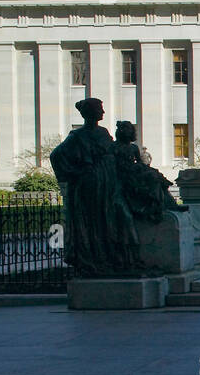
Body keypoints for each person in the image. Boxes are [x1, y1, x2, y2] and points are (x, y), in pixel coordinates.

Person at [49, 97, 141, 276]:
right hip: (91, 187)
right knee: (95, 222)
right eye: (100, 108)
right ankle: (98, 261)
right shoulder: (78, 136)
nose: (103, 112)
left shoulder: (104, 132)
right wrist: (76, 173)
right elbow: (56, 156)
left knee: (115, 218)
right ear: (90, 112)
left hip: (109, 184)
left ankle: (117, 259)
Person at [113, 120, 187, 222]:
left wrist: (142, 168)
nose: (127, 131)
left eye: (129, 129)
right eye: (124, 129)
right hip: (124, 175)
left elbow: (139, 162)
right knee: (151, 177)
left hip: (134, 171)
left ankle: (170, 204)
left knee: (156, 176)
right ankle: (155, 207)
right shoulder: (114, 146)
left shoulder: (133, 147)